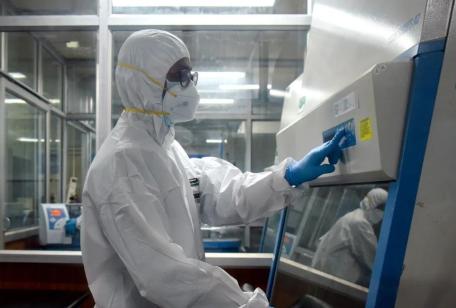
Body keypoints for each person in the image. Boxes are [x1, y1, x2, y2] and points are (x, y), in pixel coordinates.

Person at [81, 29, 351, 308]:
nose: (190, 86)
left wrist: (287, 177)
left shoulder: (165, 150)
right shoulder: (122, 163)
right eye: (181, 76)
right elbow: (163, 275)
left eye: (191, 76)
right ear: (143, 82)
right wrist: (245, 305)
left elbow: (224, 193)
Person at [311, 188, 388, 287]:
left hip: (326, 278)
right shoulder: (359, 223)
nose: (382, 213)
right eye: (381, 208)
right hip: (334, 283)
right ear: (373, 203)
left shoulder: (352, 216)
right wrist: (393, 269)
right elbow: (374, 258)